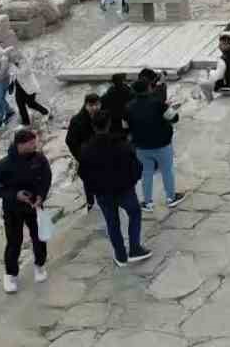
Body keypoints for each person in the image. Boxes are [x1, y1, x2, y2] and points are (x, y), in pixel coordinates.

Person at [77, 112, 151, 267]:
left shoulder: (86, 149)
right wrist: (132, 181)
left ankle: (120, 255)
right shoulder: (122, 145)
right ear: (109, 124)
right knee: (135, 213)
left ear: (93, 126)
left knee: (112, 223)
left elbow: (83, 174)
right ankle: (135, 248)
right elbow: (137, 167)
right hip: (124, 190)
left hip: (103, 194)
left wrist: (95, 189)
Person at [0, 128, 51, 293]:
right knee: (14, 242)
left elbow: (46, 178)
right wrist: (15, 195)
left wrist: (41, 196)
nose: (34, 145)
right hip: (13, 209)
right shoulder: (4, 165)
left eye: (34, 142)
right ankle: (10, 275)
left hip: (35, 206)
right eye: (31, 143)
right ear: (20, 145)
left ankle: (39, 265)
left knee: (40, 238)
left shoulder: (39, 159)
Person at [127, 79, 183, 211]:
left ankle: (147, 202)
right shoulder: (157, 103)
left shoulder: (129, 107)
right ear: (148, 89)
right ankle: (171, 197)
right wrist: (171, 108)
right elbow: (173, 118)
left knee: (146, 173)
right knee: (167, 171)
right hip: (162, 144)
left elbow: (126, 126)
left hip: (141, 147)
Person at [65, 94, 101, 211]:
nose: (95, 108)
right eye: (91, 105)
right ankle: (90, 202)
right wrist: (80, 156)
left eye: (97, 104)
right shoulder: (77, 120)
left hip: (101, 154)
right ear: (86, 105)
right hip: (86, 157)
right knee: (89, 181)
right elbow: (70, 141)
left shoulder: (102, 116)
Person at [11, 50, 51, 126]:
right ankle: (26, 122)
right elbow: (13, 75)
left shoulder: (25, 63)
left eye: (14, 57)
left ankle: (45, 112)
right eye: (12, 58)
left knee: (31, 104)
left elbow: (22, 73)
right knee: (20, 104)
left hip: (29, 88)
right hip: (19, 87)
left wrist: (14, 67)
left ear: (19, 57)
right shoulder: (13, 65)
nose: (13, 59)